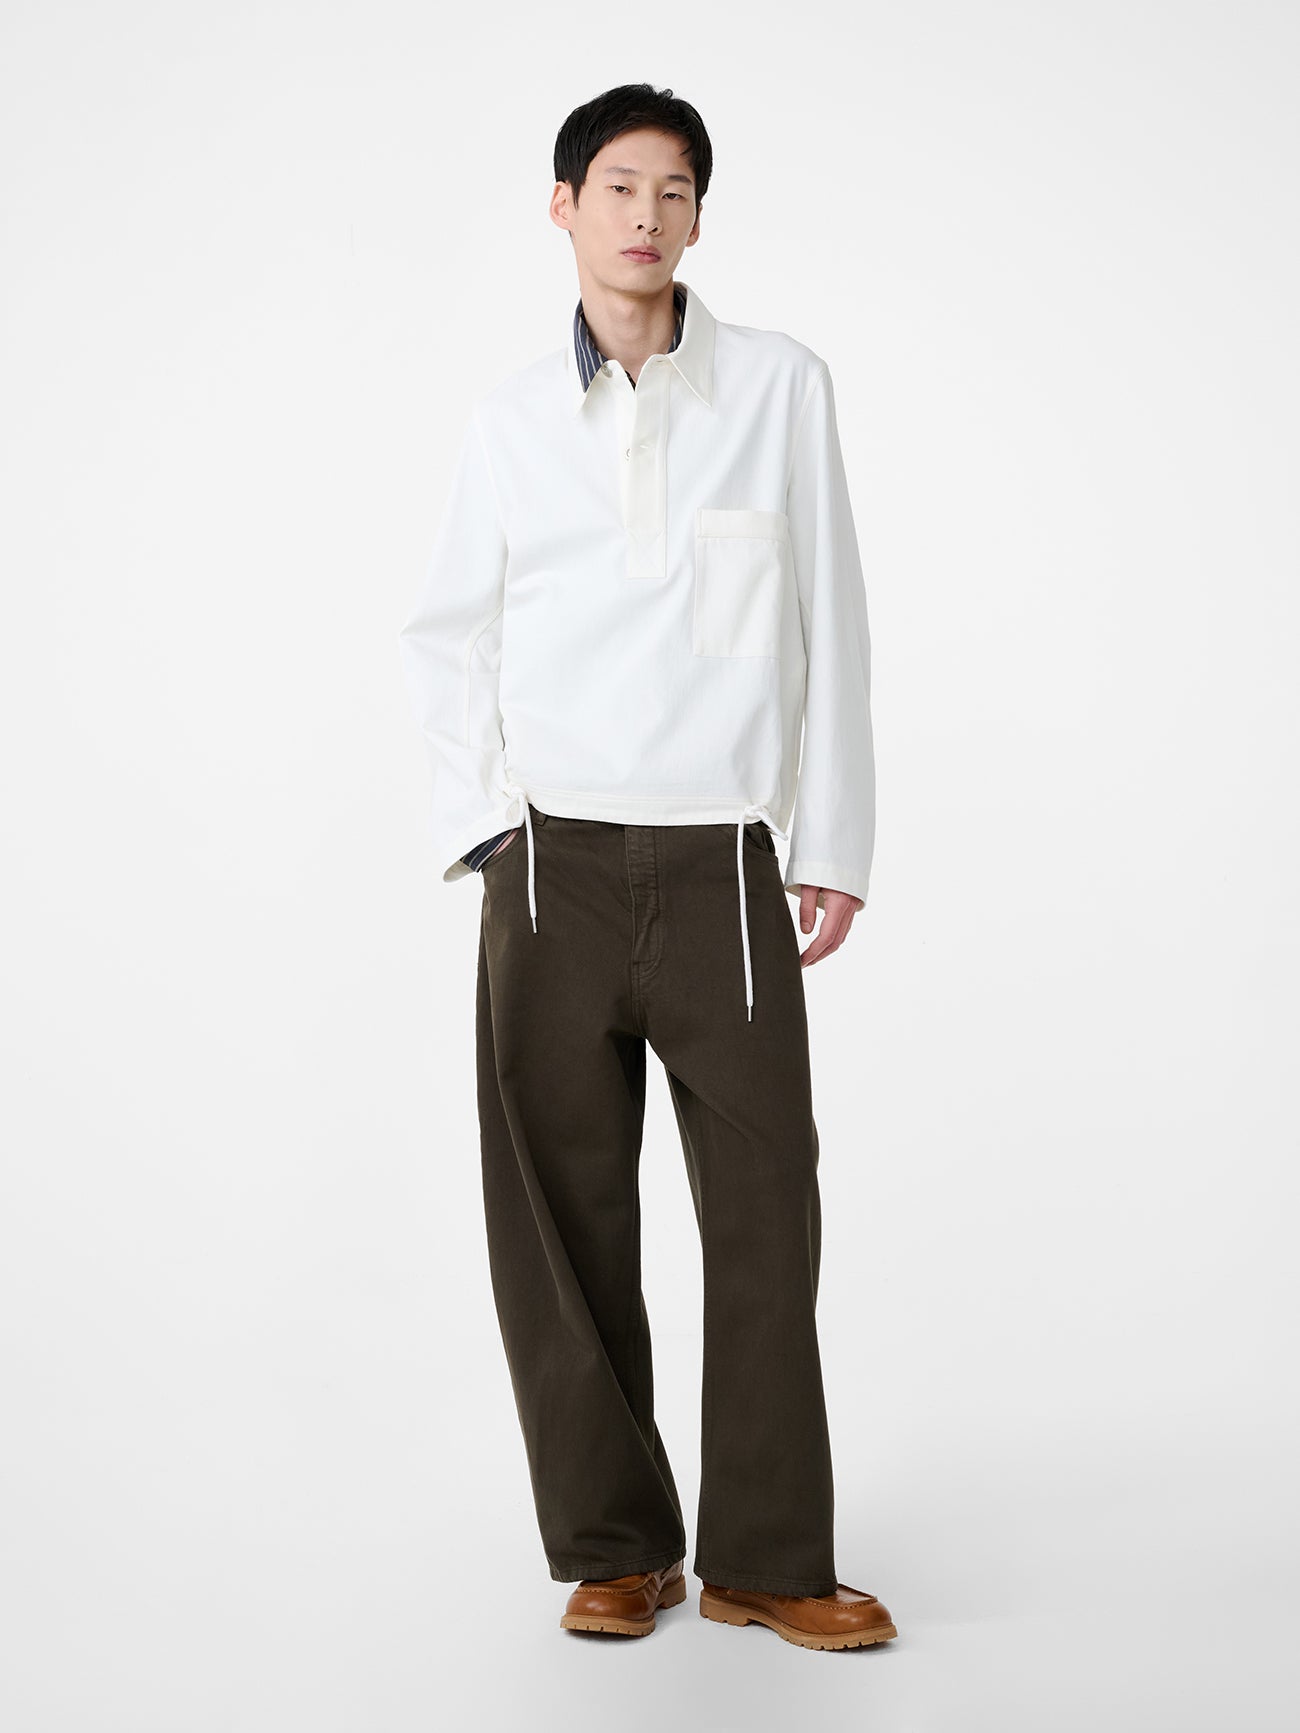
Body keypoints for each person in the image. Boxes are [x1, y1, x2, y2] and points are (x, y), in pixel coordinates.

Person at [398, 82, 896, 1653]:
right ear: (565, 206)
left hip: (724, 868)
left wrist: (833, 839)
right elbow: (444, 636)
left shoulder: (779, 388)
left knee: (764, 1215)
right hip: (550, 871)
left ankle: (767, 1554)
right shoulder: (509, 423)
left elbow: (831, 617)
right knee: (560, 1223)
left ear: (697, 218)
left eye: (673, 191)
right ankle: (615, 1545)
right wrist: (487, 830)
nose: (645, 215)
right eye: (618, 186)